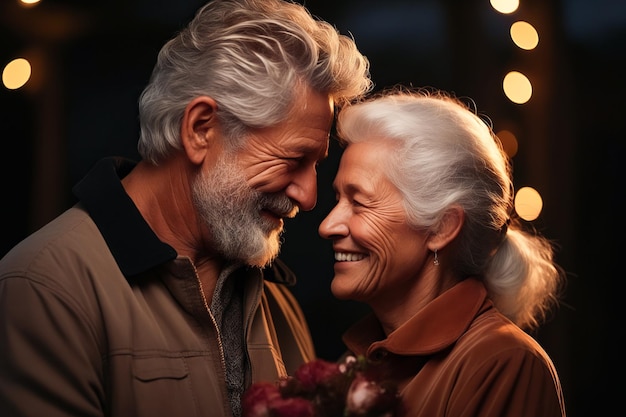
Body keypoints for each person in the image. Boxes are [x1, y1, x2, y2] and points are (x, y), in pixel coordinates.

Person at [0, 0, 372, 416]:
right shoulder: (44, 287)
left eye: (317, 165)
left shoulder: (274, 299)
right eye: (292, 160)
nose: (308, 197)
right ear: (200, 130)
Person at [319, 88, 567, 417]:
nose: (327, 225)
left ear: (441, 229)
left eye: (359, 203)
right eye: (338, 199)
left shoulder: (502, 363)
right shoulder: (356, 365)